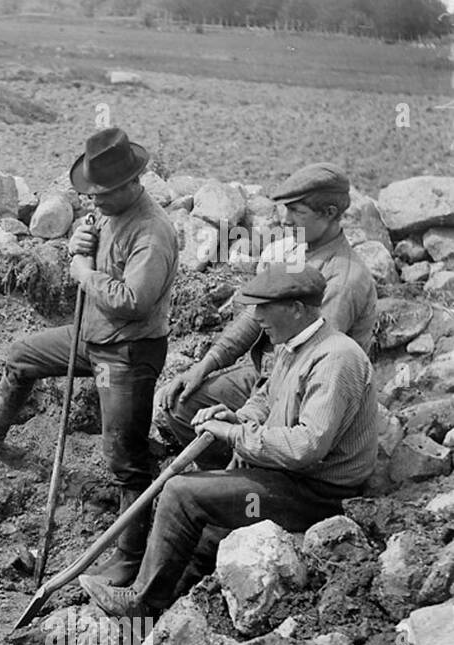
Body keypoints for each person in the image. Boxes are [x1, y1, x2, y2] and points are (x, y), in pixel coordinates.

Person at [0, 127, 178, 585]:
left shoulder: (153, 233)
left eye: (102, 196)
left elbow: (134, 299)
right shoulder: (110, 213)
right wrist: (81, 245)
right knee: (21, 355)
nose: (94, 203)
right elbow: (95, 255)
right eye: (89, 195)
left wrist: (83, 271)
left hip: (127, 352)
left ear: (134, 183)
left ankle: (130, 560)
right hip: (93, 335)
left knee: (124, 460)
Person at [78, 265, 377, 619]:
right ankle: (164, 615)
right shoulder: (293, 344)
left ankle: (141, 602)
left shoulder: (335, 358)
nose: (257, 316)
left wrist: (235, 435)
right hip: (288, 476)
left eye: (265, 307)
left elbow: (305, 448)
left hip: (318, 493)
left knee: (180, 492)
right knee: (207, 527)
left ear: (297, 308)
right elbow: (266, 397)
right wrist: (240, 417)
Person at [156, 162, 376, 470]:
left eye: (297, 211)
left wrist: (243, 432)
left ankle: (251, 483)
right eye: (285, 209)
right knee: (182, 407)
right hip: (271, 376)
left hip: (309, 390)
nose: (285, 220)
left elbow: (310, 359)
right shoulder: (295, 251)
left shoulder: (344, 279)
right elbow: (253, 317)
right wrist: (204, 366)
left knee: (244, 444)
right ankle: (227, 482)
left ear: (328, 213)